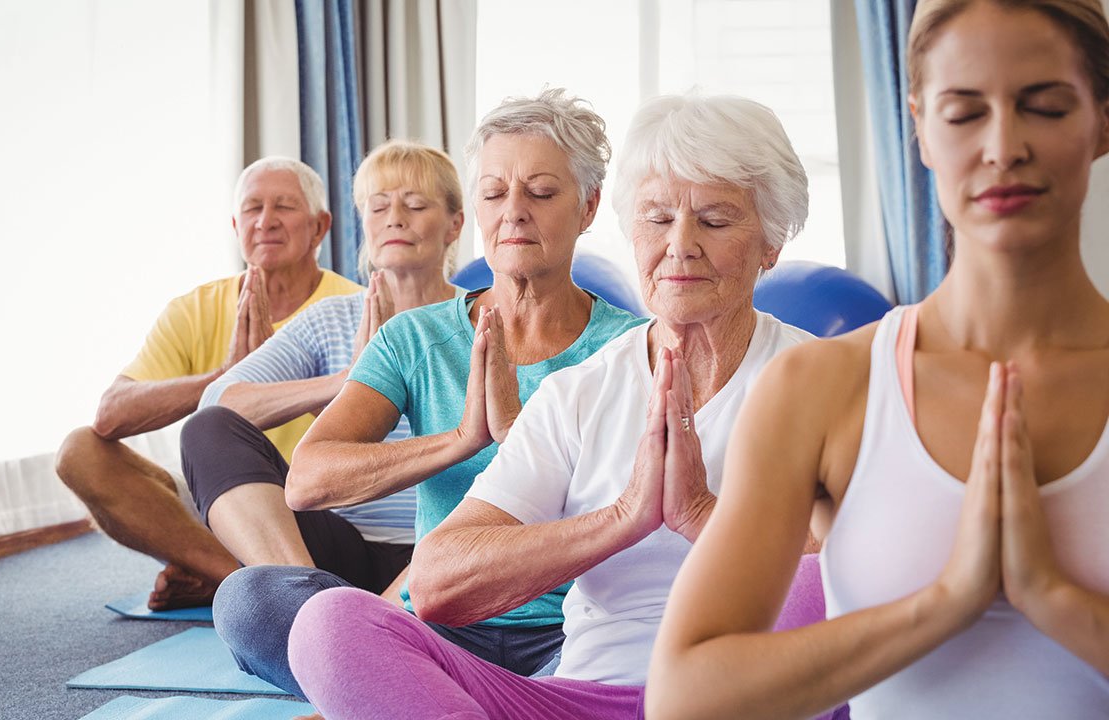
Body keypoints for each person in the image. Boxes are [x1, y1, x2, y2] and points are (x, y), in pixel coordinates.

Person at [283, 91, 828, 720]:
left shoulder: (824, 380)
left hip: (743, 695)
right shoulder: (581, 391)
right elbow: (435, 584)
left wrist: (701, 513)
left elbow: (873, 572)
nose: (679, 245)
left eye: (714, 220)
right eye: (656, 218)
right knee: (331, 622)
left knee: (819, 594)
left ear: (770, 244)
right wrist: (624, 518)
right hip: (581, 698)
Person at [647, 2, 1109, 718]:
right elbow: (688, 697)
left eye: (1044, 106)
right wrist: (945, 602)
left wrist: (1051, 596)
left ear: (1102, 120)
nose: (1003, 146)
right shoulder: (820, 387)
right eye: (963, 114)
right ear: (920, 128)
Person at [210, 88, 645, 699]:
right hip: (436, 627)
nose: (513, 212)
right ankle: (460, 695)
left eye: (542, 193)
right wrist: (463, 439)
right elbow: (307, 480)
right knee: (249, 602)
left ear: (589, 205)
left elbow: (638, 515)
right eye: (494, 193)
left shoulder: (631, 348)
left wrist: (522, 441)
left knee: (643, 658)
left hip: (571, 631)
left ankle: (421, 697)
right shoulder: (415, 337)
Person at [180, 140, 466, 627]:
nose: (395, 217)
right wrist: (346, 382)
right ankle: (312, 613)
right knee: (205, 431)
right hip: (340, 555)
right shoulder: (331, 319)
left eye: (415, 204)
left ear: (455, 224)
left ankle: (338, 630)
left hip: (447, 550)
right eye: (378, 206)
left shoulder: (482, 320)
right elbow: (219, 402)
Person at [55, 158, 358, 609]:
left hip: (315, 510)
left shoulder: (351, 307)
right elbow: (110, 414)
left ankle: (248, 576)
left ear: (319, 227)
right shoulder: (194, 308)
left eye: (284, 207)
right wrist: (227, 377)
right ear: (237, 225)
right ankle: (230, 575)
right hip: (220, 500)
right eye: (253, 208)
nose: (266, 221)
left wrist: (279, 380)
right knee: (79, 451)